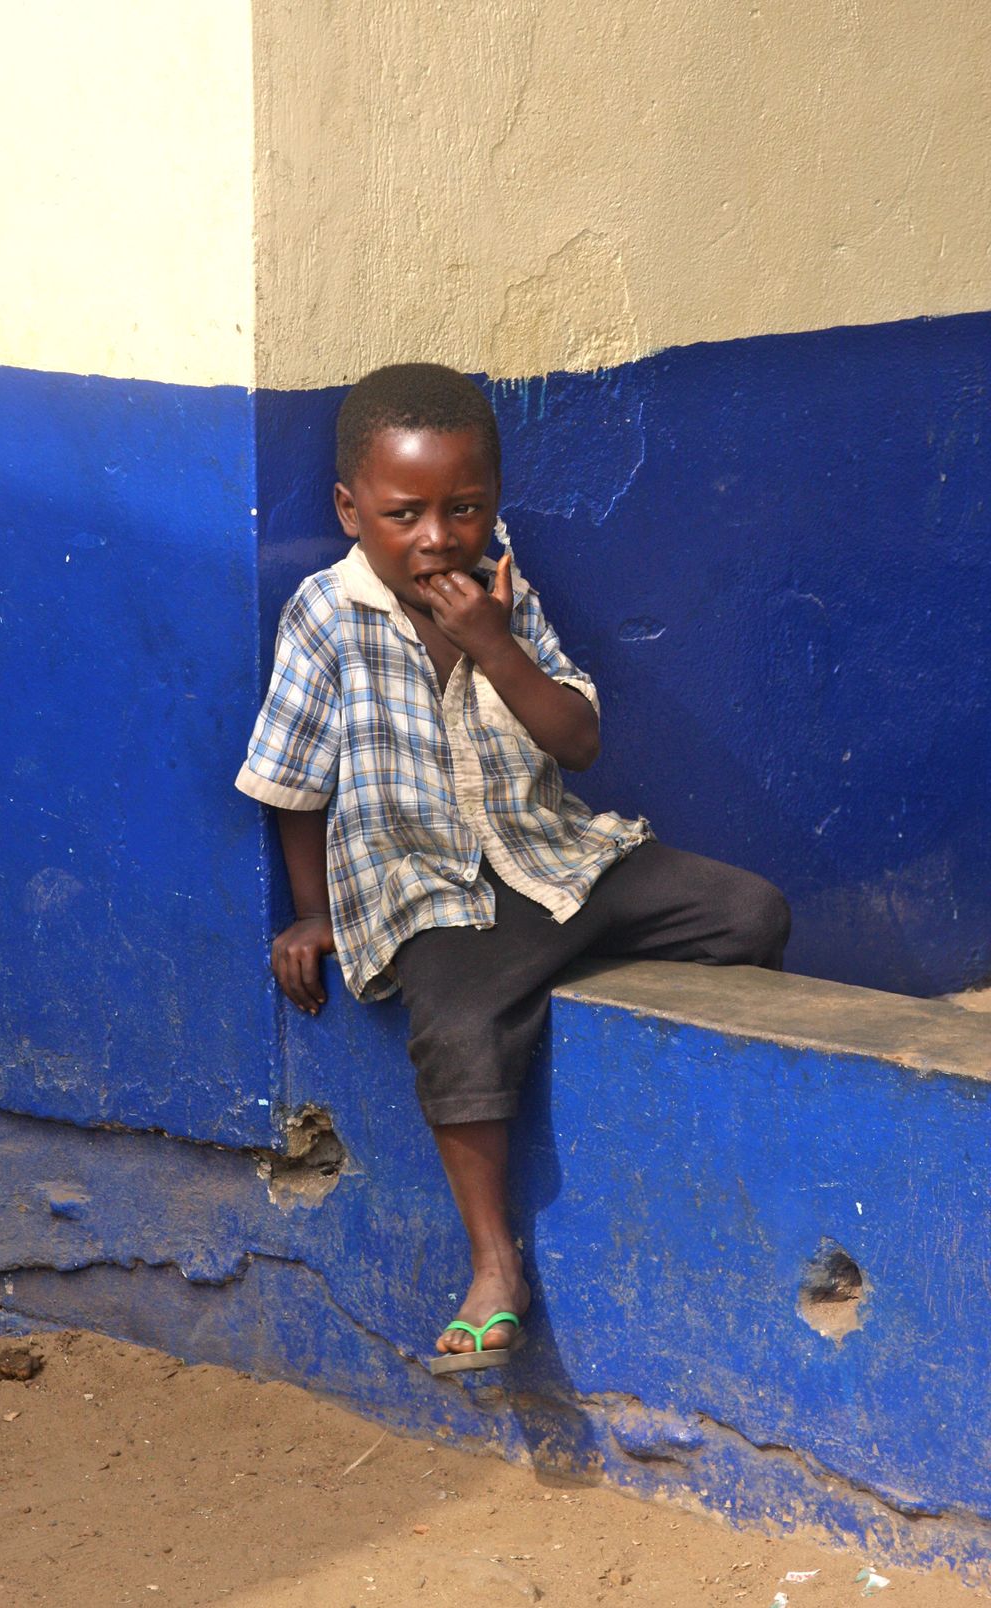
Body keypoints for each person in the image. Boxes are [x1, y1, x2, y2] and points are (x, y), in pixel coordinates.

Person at [235, 363, 790, 1375]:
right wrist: (314, 915)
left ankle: (605, 1049)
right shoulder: (325, 618)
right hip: (428, 893)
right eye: (405, 513)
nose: (438, 535)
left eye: (465, 507)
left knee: (749, 915)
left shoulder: (505, 592)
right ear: (350, 511)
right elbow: (292, 787)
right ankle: (495, 1266)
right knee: (455, 1025)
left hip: (555, 861)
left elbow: (575, 743)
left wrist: (495, 644)